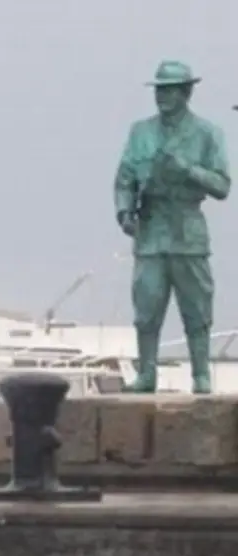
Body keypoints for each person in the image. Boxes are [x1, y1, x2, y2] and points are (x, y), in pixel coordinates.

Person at [113, 60, 231, 393]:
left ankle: (200, 374)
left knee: (197, 308)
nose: (162, 96)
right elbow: (124, 179)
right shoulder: (140, 132)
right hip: (150, 232)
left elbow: (222, 186)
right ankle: (147, 373)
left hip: (188, 230)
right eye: (159, 89)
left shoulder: (209, 134)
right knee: (146, 307)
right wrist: (124, 212)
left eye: (170, 89)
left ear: (186, 92)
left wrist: (188, 169)